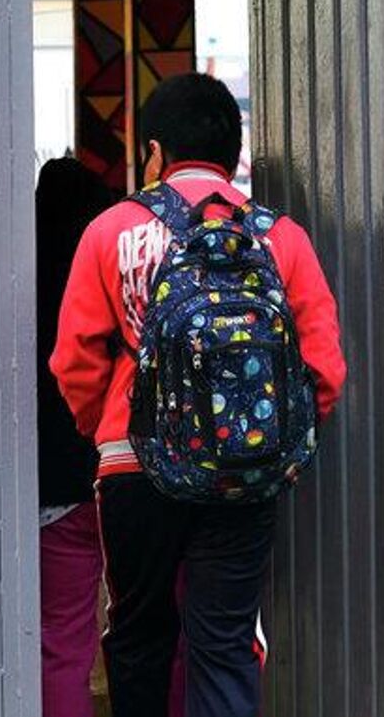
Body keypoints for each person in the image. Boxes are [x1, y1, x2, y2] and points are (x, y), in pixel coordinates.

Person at [50, 74, 346, 717]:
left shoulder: (110, 231)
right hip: (245, 469)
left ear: (154, 151)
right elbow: (324, 368)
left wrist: (104, 430)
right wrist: (274, 443)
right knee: (225, 640)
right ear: (234, 152)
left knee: (138, 635)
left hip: (133, 463)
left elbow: (73, 360)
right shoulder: (280, 237)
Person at [34, 156, 118, 717]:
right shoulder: (113, 269)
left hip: (54, 491)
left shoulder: (14, 274)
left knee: (63, 641)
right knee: (149, 629)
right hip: (124, 473)